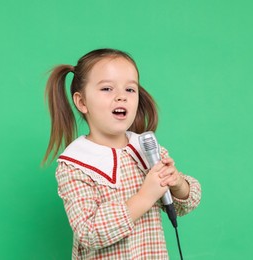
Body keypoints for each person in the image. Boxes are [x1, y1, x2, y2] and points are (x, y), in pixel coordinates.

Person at [43, 48, 201, 259]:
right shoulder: (76, 164)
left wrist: (177, 183)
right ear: (81, 102)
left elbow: (187, 204)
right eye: (107, 88)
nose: (121, 97)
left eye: (130, 89)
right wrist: (145, 196)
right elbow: (88, 233)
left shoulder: (146, 148)